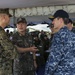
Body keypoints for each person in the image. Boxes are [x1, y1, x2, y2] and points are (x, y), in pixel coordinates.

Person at [44, 9, 75, 75]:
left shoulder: (59, 36)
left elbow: (53, 60)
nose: (52, 22)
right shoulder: (73, 35)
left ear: (60, 20)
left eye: (54, 20)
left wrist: (47, 73)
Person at [0, 9, 17, 75]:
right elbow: (13, 53)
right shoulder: (1, 33)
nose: (9, 19)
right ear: (4, 17)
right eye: (9, 17)